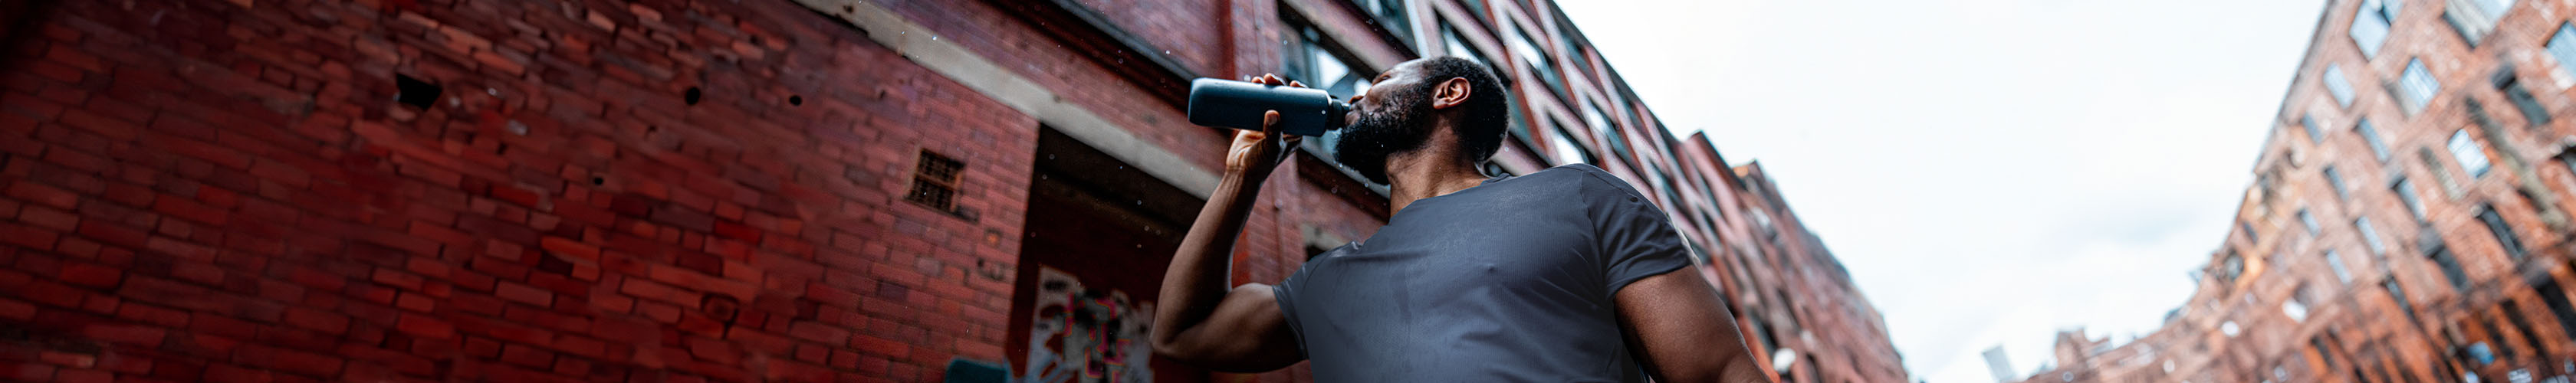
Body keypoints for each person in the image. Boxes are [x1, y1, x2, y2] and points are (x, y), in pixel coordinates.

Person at [1148, 56, 1769, 382]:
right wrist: (1241, 178)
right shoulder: (1326, 281)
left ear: (1448, 94)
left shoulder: (1580, 197)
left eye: (1381, 81)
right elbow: (1184, 332)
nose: (1359, 94)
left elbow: (1717, 372)